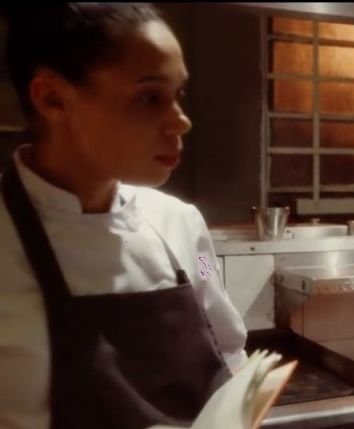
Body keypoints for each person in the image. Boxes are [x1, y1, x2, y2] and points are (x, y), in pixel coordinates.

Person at [0, 4, 247, 428]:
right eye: (150, 97)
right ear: (52, 98)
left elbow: (227, 342)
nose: (182, 122)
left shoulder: (183, 226)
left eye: (178, 95)